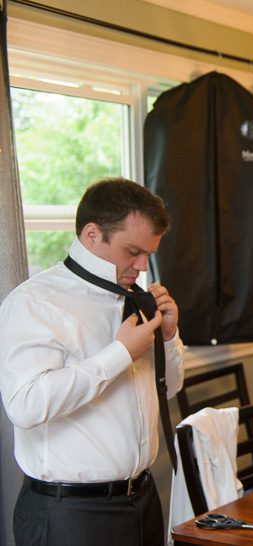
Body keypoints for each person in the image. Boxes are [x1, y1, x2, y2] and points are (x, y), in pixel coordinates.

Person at [0, 178, 184, 546]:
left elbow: (170, 388)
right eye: (132, 251)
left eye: (148, 254)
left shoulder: (134, 299)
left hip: (143, 501)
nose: (142, 266)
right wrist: (118, 354)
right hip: (71, 514)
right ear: (92, 235)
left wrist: (168, 337)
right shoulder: (35, 303)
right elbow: (25, 405)